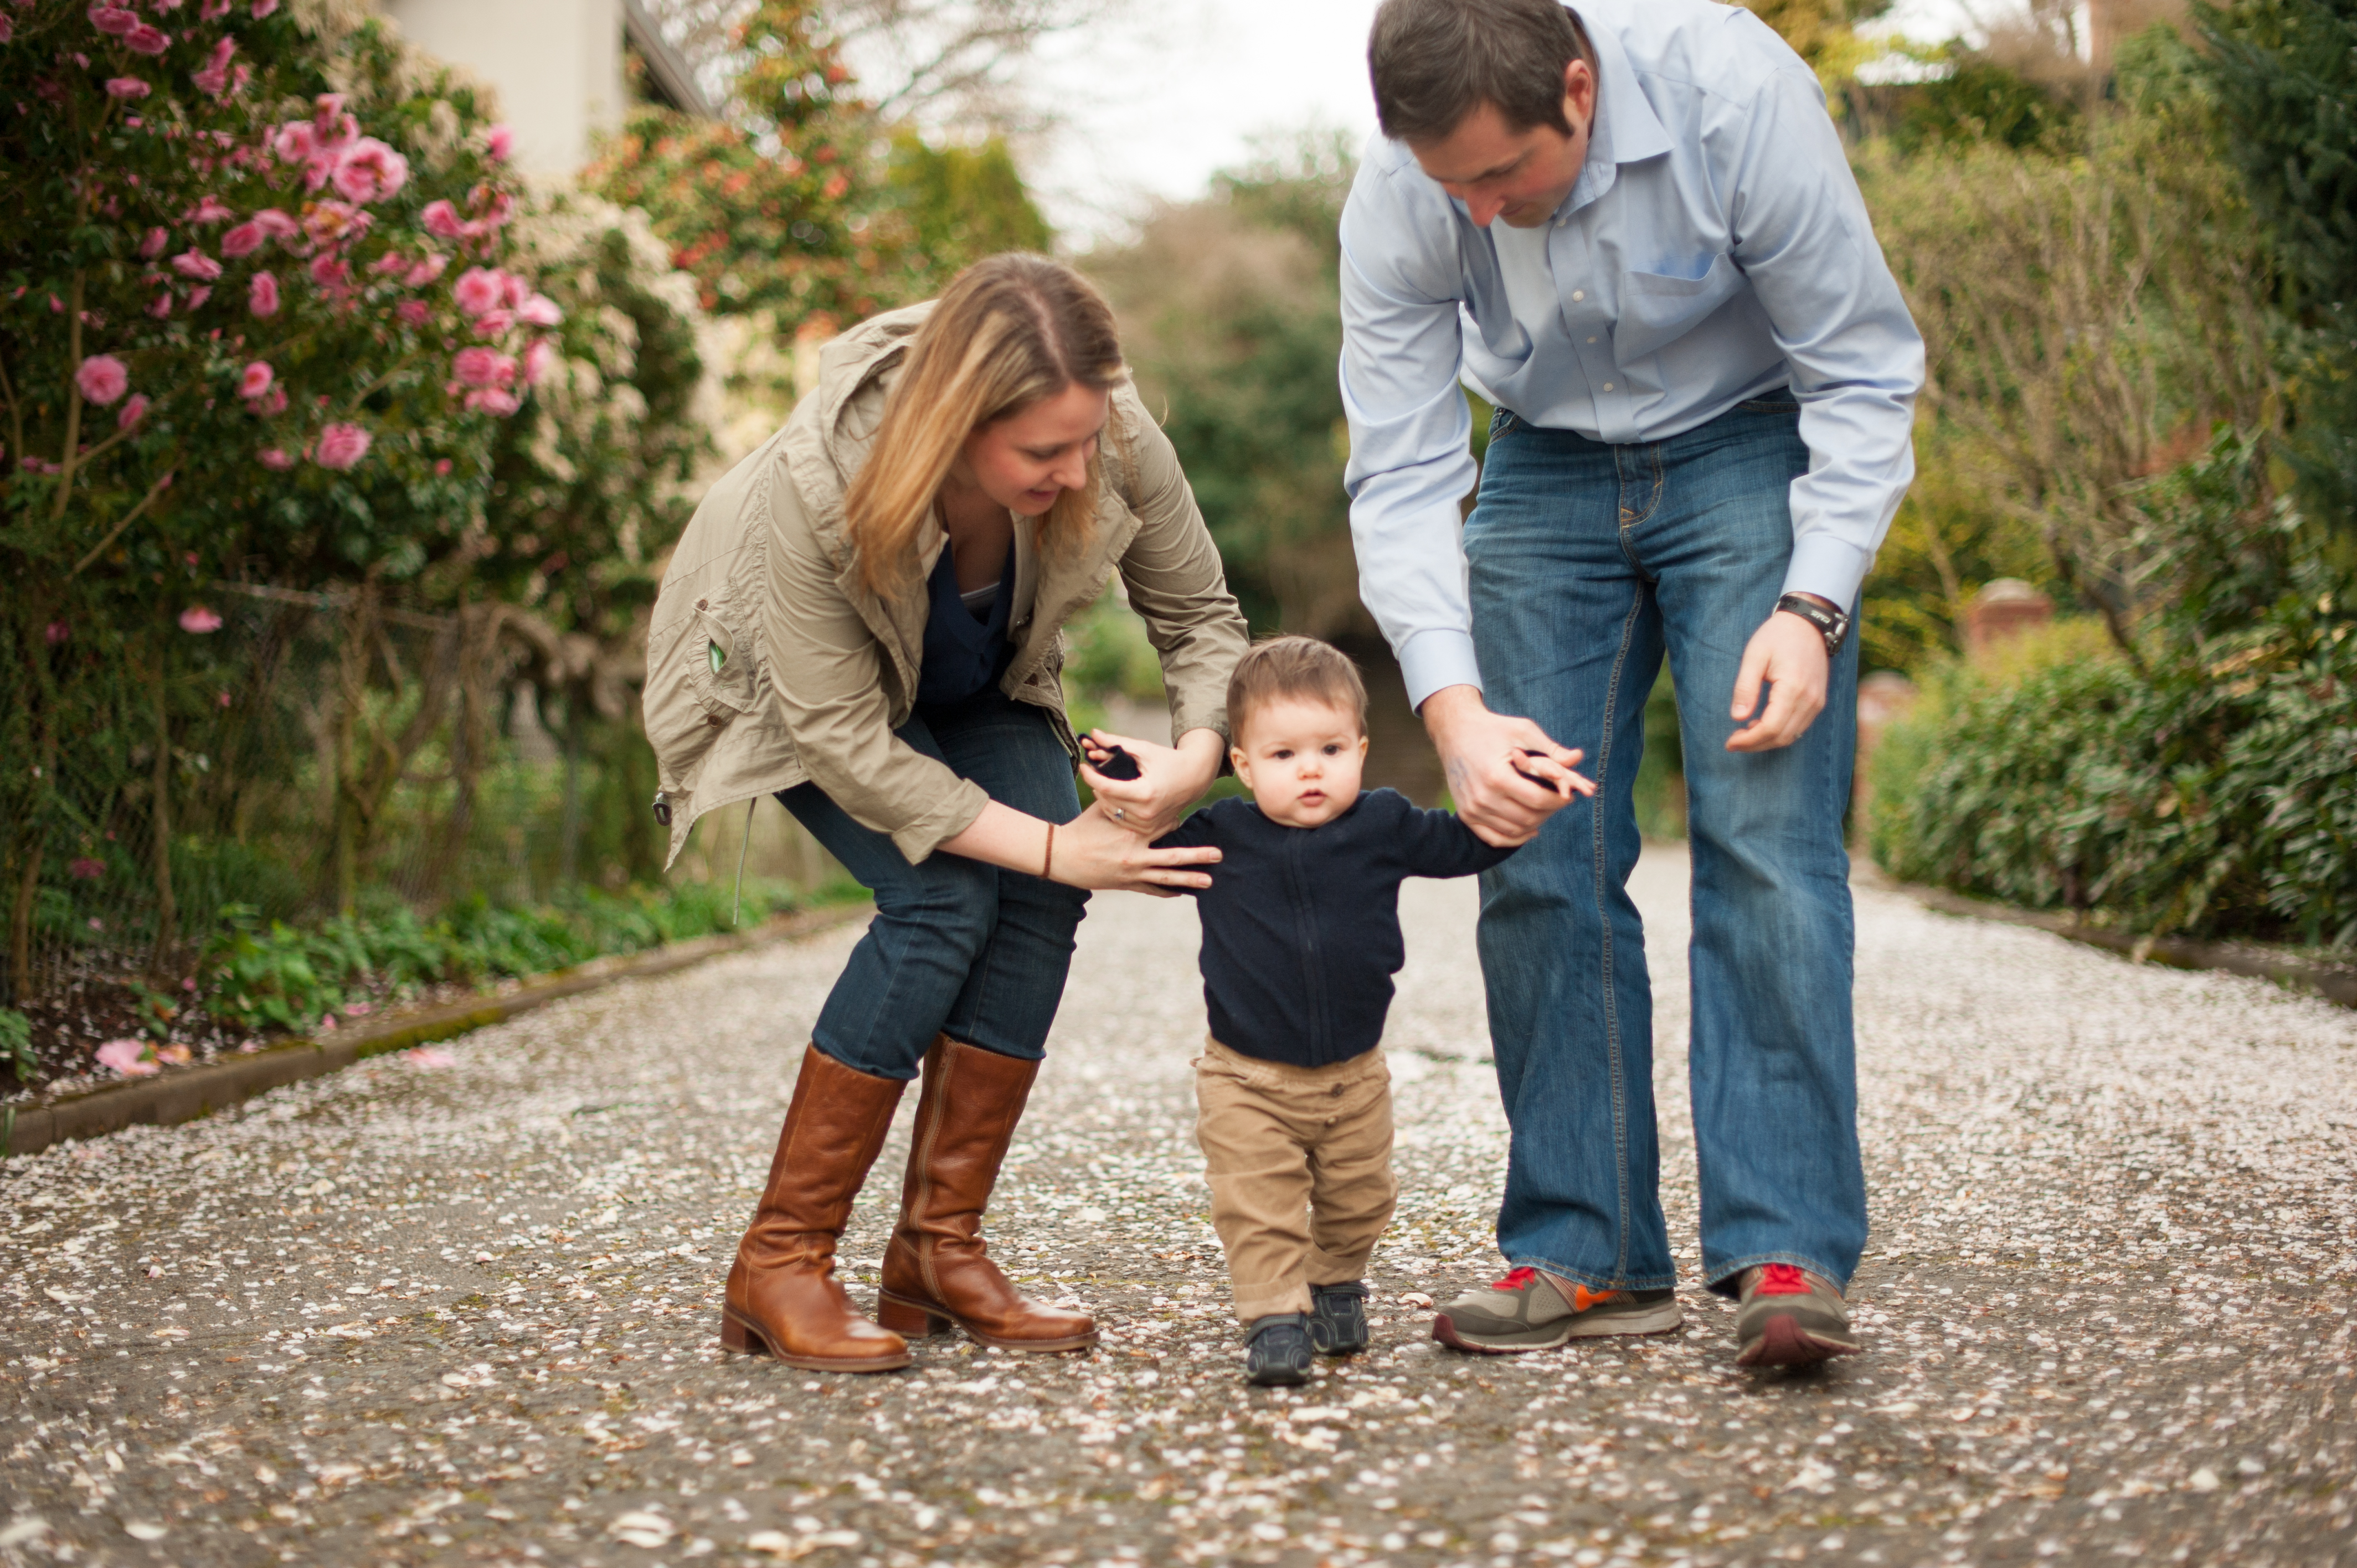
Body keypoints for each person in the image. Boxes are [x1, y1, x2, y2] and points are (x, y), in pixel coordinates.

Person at [1340, 0, 1925, 1366]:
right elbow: (1405, 463)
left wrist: (1810, 602)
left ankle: (1783, 1253)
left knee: (1765, 842)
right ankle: (1583, 1249)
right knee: (1532, 842)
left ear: (1580, 92)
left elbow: (1860, 366)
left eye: (1500, 177)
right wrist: (1452, 709)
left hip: (1747, 442)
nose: (1476, 212)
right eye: (1450, 188)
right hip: (1539, 462)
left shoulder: (1731, 88)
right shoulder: (1405, 187)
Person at [644, 254, 1251, 1373]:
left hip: (976, 683)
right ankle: (780, 1261)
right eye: (1041, 454)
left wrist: (1195, 759)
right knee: (941, 896)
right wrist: (1061, 845)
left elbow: (1203, 617)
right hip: (795, 700)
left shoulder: (1105, 433)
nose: (1077, 473)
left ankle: (935, 1249)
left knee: (1034, 900)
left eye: (1086, 441)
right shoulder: (812, 488)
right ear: (953, 425)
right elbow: (846, 744)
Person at [1148, 637, 1588, 1385]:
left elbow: (1464, 844)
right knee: (1260, 1207)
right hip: (1246, 1078)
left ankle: (1334, 1281)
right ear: (1245, 766)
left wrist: (1524, 798)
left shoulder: (1382, 824)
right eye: (1283, 755)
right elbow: (1144, 852)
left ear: (1360, 747)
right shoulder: (1222, 837)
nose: (1310, 768)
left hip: (1354, 1077)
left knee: (1360, 1201)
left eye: (1329, 748)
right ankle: (1275, 1320)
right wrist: (1136, 791)